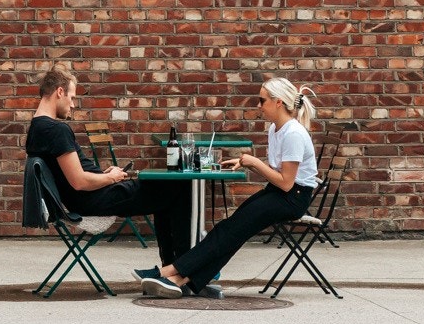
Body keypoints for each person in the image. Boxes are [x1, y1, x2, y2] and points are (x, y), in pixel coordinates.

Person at [135, 76, 321, 299]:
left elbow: (286, 181)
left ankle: (168, 272)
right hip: (280, 193)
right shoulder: (276, 129)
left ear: (278, 102)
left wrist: (254, 163)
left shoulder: (293, 133)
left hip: (293, 198)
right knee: (231, 230)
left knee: (230, 230)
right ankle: (182, 279)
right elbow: (279, 176)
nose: (258, 106)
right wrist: (244, 162)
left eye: (262, 101)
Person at [23, 66, 191, 266]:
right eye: (72, 97)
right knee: (179, 187)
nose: (74, 105)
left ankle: (173, 268)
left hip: (93, 195)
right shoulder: (56, 130)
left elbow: (74, 176)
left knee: (165, 190)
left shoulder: (36, 128)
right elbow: (79, 182)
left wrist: (104, 175)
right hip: (93, 199)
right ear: (60, 92)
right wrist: (112, 178)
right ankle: (183, 269)